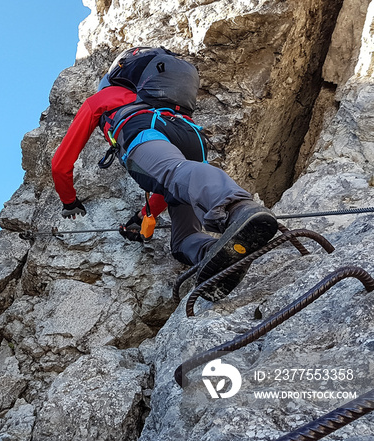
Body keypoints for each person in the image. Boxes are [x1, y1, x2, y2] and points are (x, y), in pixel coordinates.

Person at [51, 47, 278, 301]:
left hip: (146, 130)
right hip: (192, 138)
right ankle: (215, 254)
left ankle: (237, 207)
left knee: (175, 171)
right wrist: (143, 216)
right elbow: (170, 186)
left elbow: (61, 164)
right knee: (183, 238)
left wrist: (69, 201)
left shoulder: (106, 96)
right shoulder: (167, 105)